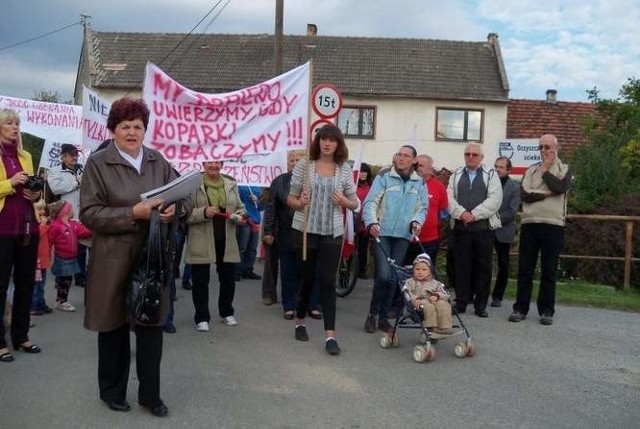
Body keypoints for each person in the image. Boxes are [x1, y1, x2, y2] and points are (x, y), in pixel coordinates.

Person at [80, 98, 192, 416]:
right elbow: (89, 213)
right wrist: (134, 213)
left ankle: (150, 395)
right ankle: (112, 391)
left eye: (138, 126)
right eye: (125, 126)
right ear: (113, 130)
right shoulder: (98, 163)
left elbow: (184, 194)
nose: (132, 132)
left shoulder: (158, 161)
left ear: (145, 130)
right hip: (112, 260)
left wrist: (175, 210)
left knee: (151, 327)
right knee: (113, 327)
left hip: (151, 257)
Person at [287, 124, 359, 356]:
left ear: (338, 144)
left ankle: (330, 336)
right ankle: (300, 321)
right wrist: (301, 203)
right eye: (323, 139)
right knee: (307, 279)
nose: (327, 143)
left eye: (332, 140)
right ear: (317, 142)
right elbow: (291, 199)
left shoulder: (344, 169)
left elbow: (354, 201)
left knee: (328, 281)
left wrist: (345, 203)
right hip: (307, 230)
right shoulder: (304, 165)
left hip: (332, 231)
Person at [362, 145, 428, 334]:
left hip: (403, 236)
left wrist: (416, 222)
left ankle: (383, 319)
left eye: (406, 156)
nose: (401, 158)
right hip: (381, 232)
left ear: (414, 160)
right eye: (399, 154)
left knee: (393, 278)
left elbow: (422, 208)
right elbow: (371, 202)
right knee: (382, 275)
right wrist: (371, 223)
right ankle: (372, 314)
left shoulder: (419, 182)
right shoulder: (384, 177)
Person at [509, 134, 571, 326]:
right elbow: (524, 195)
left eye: (547, 147)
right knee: (525, 269)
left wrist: (545, 171)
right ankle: (520, 308)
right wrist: (547, 193)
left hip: (553, 226)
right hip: (530, 224)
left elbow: (560, 187)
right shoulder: (531, 170)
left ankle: (546, 311)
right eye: (541, 147)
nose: (544, 151)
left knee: (549, 270)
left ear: (556, 148)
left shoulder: (565, 169)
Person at [0, 108, 43, 363]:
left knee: (26, 284)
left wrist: (35, 194)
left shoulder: (25, 155)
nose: (15, 127)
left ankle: (21, 336)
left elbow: (34, 189)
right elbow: (13, 184)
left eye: (17, 123)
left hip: (28, 227)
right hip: (3, 228)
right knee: (0, 286)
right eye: (9, 123)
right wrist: (10, 182)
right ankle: (0, 343)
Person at [185, 160, 245, 331]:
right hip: (201, 239)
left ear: (222, 164)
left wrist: (240, 216)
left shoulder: (231, 184)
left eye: (217, 162)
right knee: (200, 280)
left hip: (226, 240)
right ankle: (201, 317)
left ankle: (227, 312)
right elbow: (185, 214)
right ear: (203, 164)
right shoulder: (194, 185)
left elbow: (241, 208)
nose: (213, 165)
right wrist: (203, 212)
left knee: (228, 278)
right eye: (210, 162)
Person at [447, 142, 502, 317]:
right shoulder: (455, 175)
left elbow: (495, 199)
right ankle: (461, 301)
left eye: (474, 155)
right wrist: (462, 213)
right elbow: (448, 198)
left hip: (483, 229)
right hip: (461, 229)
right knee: (461, 267)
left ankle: (480, 305)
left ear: (481, 158)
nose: (471, 157)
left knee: (483, 268)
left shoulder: (491, 175)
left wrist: (474, 215)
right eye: (467, 154)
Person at [262, 150, 304, 317]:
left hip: (306, 234)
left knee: (304, 270)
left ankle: (303, 302)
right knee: (287, 271)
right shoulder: (278, 182)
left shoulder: (312, 181)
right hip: (284, 232)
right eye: (291, 160)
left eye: (298, 159)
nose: (294, 162)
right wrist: (268, 231)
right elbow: (271, 208)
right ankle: (288, 305)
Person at [47, 143, 88, 288]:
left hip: (81, 214)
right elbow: (56, 188)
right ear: (63, 156)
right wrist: (76, 182)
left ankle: (80, 275)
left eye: (76, 154)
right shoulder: (55, 171)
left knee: (81, 247)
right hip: (64, 217)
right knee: (64, 249)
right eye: (71, 155)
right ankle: (62, 279)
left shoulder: (81, 169)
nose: (75, 157)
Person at [404, 154, 449, 273]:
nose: (418, 168)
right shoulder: (406, 183)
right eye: (416, 165)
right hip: (406, 239)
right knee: (406, 274)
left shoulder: (439, 187)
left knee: (425, 275)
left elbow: (444, 212)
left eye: (422, 165)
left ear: (430, 169)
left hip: (429, 241)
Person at [47, 200, 91, 312]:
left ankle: (61, 300)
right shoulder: (56, 226)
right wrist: (47, 254)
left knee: (66, 280)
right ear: (66, 211)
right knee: (64, 280)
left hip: (71, 257)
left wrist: (93, 228)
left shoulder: (74, 224)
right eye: (71, 209)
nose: (73, 211)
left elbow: (84, 232)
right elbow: (49, 240)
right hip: (61, 257)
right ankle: (62, 301)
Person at [490, 157, 521, 307]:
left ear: (509, 169)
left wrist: (495, 220)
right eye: (496, 166)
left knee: (503, 264)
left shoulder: (514, 187)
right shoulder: (488, 184)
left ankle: (498, 296)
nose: (498, 169)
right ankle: (478, 293)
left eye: (501, 167)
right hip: (487, 229)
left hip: (504, 230)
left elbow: (512, 211)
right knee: (483, 263)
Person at [403, 253, 452, 334]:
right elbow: (407, 292)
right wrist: (414, 299)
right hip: (420, 304)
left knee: (444, 304)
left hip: (435, 301)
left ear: (430, 272)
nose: (420, 272)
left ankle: (445, 328)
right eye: (417, 269)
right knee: (429, 307)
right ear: (413, 270)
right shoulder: (410, 282)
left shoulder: (435, 283)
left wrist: (437, 296)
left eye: (424, 270)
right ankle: (431, 328)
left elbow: (445, 293)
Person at [235, 185, 264, 281]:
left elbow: (261, 207)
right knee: (242, 246)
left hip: (255, 221)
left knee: (252, 248)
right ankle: (237, 271)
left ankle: (247, 270)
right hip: (245, 220)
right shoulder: (239, 186)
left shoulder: (259, 187)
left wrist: (258, 201)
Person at [30, 200, 53, 316]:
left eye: (43, 209)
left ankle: (41, 303)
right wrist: (44, 225)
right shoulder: (34, 224)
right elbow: (38, 234)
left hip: (43, 258)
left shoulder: (43, 223)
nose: (42, 212)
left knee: (42, 284)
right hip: (36, 260)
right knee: (36, 284)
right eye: (39, 209)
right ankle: (34, 306)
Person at [355, 162, 373, 278]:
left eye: (365, 171)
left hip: (365, 223)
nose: (363, 174)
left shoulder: (371, 188)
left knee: (363, 248)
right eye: (361, 171)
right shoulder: (352, 186)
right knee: (351, 247)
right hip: (353, 222)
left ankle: (362, 270)